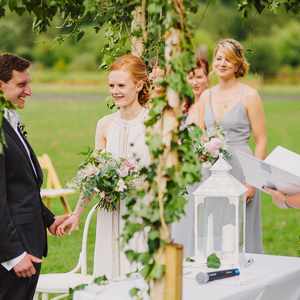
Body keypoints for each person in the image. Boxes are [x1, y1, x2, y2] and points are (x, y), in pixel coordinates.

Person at [57, 54, 150, 279]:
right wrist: (77, 214)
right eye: (111, 85)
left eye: (121, 85)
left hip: (143, 213)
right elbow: (93, 174)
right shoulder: (105, 124)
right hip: (109, 213)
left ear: (138, 85)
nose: (115, 91)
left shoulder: (154, 123)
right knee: (109, 275)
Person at [0, 54, 68, 300]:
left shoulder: (10, 119)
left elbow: (22, 184)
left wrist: (48, 219)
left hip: (29, 242)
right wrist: (13, 255)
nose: (28, 91)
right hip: (14, 253)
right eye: (21, 85)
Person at [196, 38, 267, 254]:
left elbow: (261, 139)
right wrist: (203, 154)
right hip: (211, 171)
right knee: (211, 228)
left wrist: (254, 182)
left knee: (241, 232)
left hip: (241, 170)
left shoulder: (250, 96)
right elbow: (200, 134)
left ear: (238, 64)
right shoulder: (205, 96)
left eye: (229, 59)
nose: (222, 63)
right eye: (219, 58)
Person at [171, 56, 209, 256]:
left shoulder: (211, 104)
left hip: (204, 170)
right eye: (191, 77)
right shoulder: (183, 106)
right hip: (182, 172)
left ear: (207, 77)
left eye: (200, 76)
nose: (195, 82)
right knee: (182, 220)